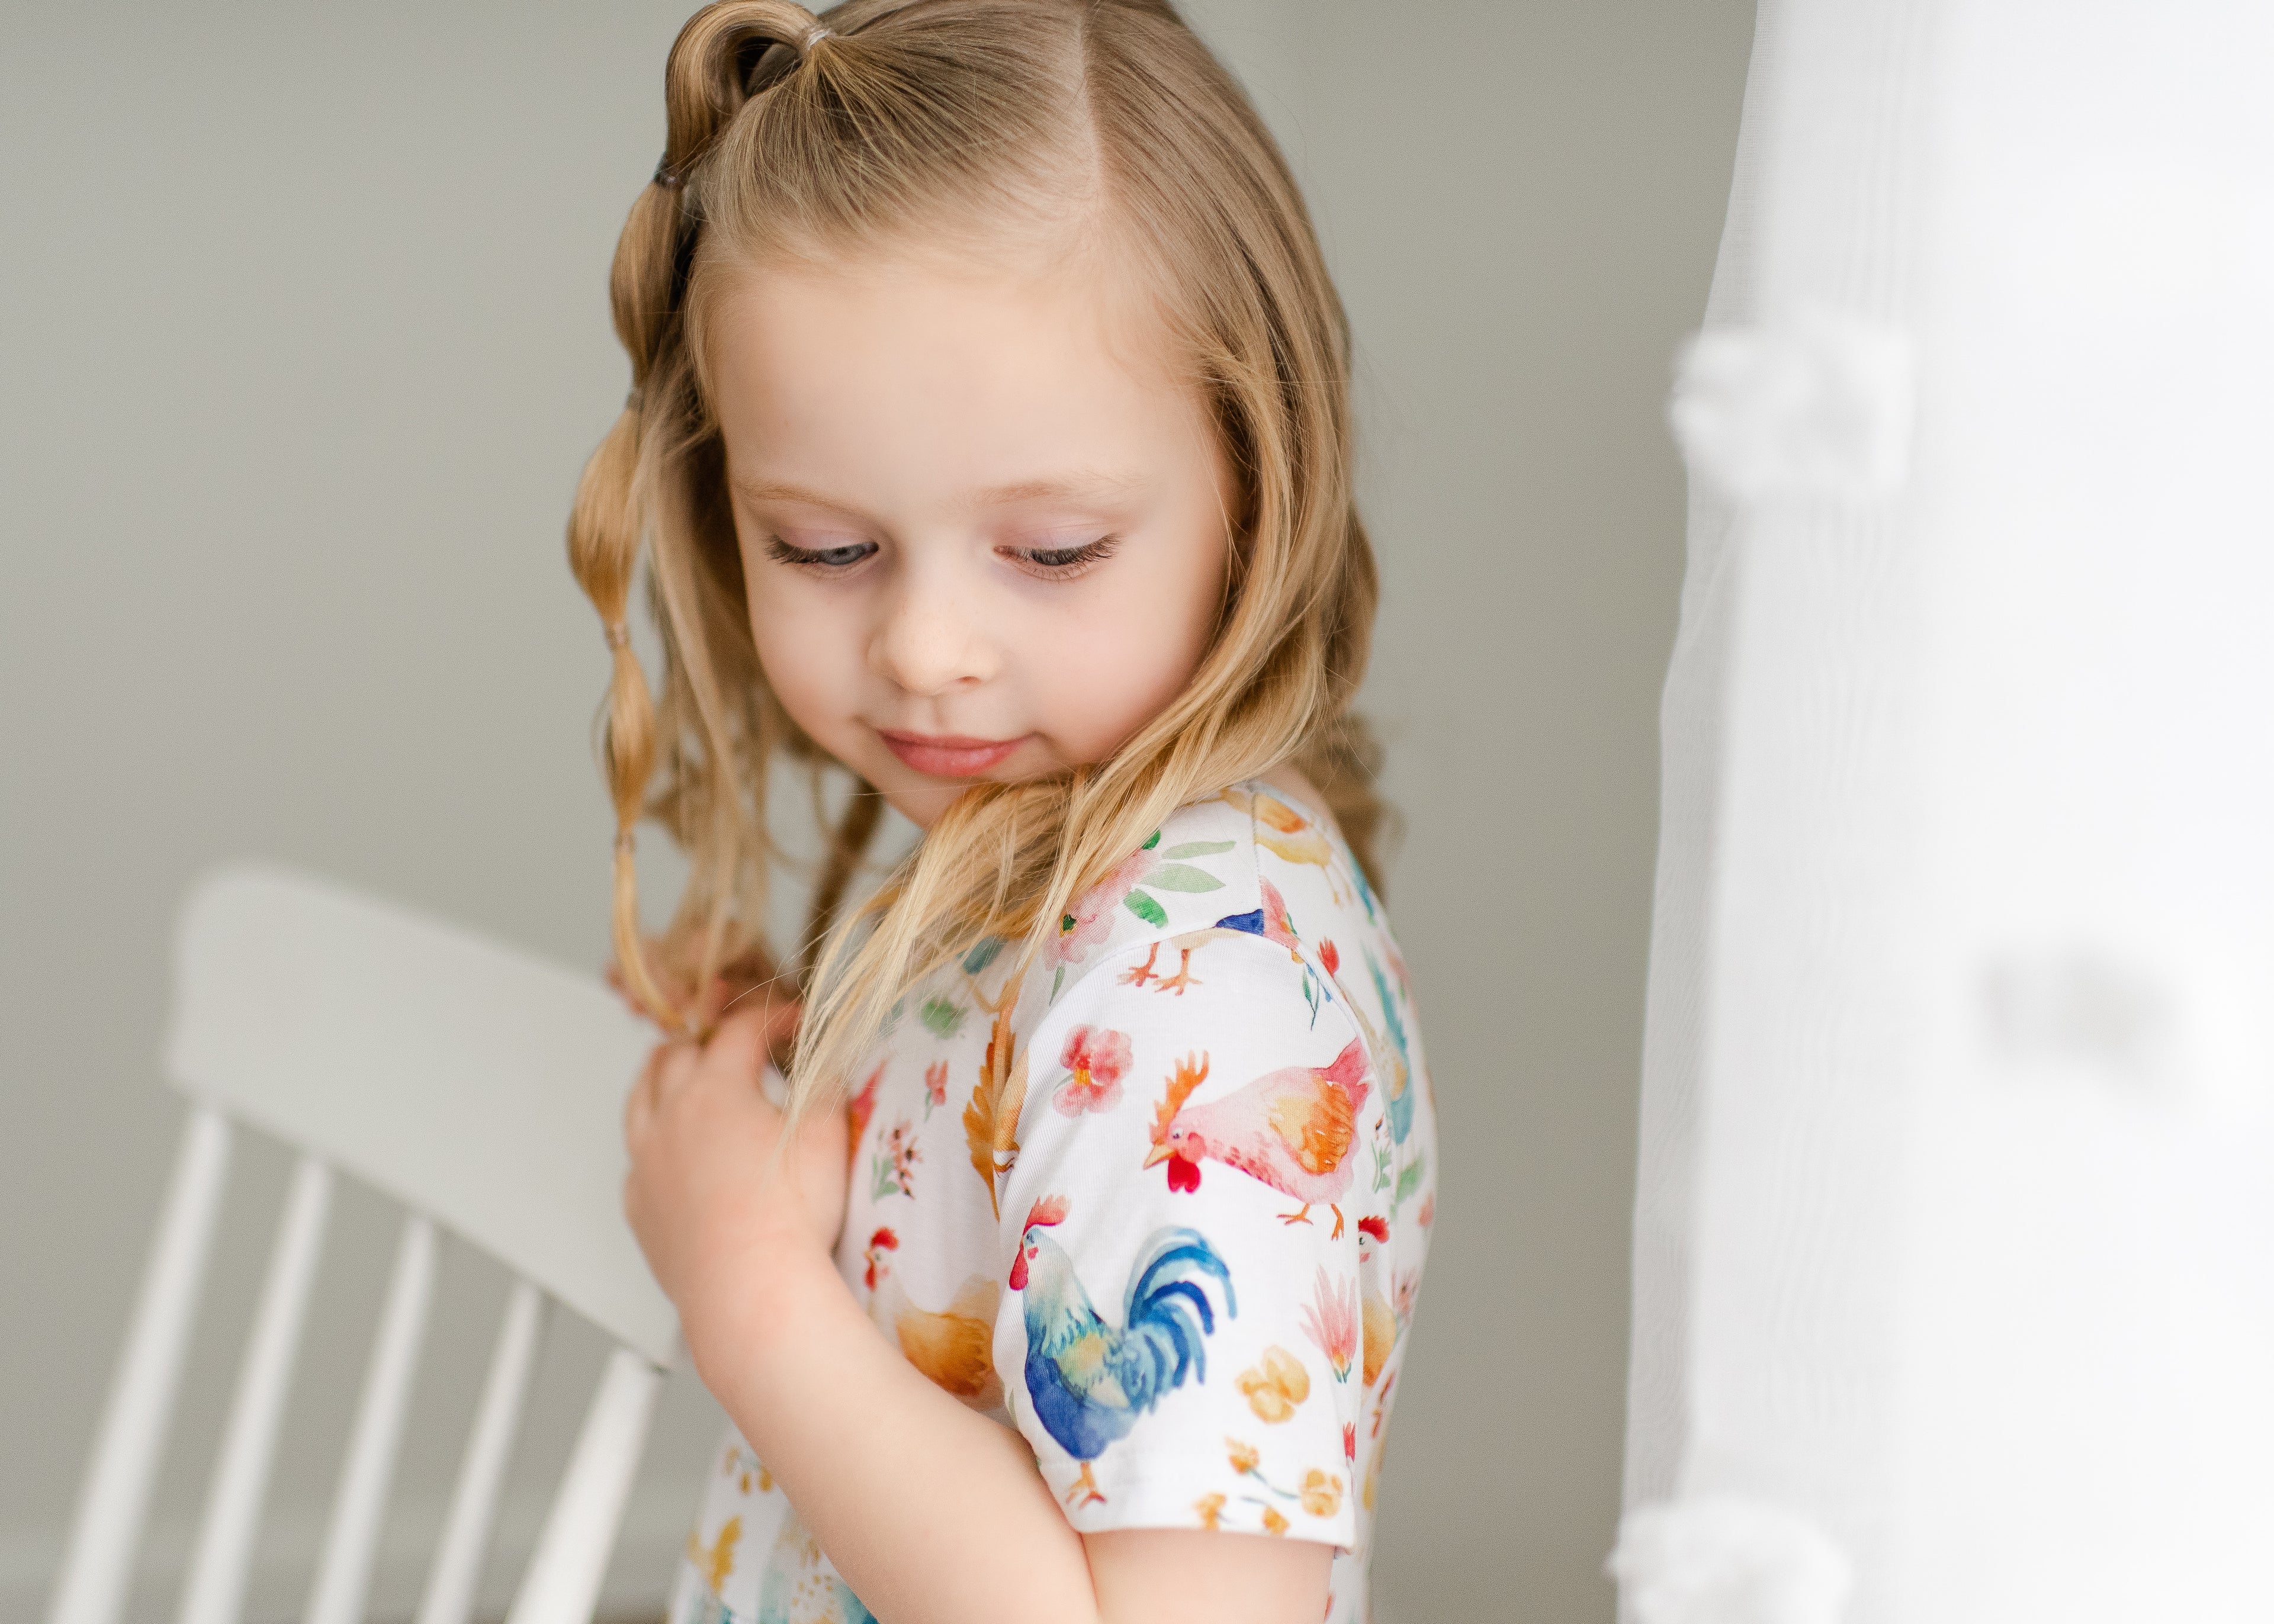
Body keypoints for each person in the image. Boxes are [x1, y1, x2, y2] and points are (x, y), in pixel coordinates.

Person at [570, 4, 1438, 1620]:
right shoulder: (1036, 883)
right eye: (827, 549)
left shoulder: (1208, 982)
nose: (923, 650)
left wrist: (750, 1291)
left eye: (1047, 551)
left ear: (1255, 485)